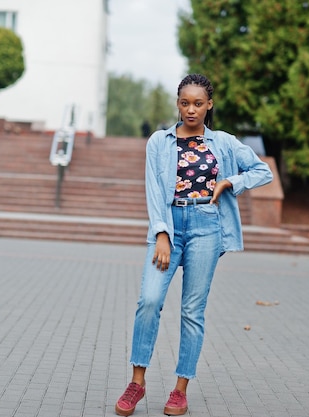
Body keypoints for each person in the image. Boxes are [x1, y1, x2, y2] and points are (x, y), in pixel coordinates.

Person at [115, 74, 273, 416]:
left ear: (209, 105)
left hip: (207, 226)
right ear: (177, 103)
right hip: (170, 225)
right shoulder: (159, 141)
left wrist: (232, 181)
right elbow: (154, 191)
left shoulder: (225, 143)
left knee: (192, 311)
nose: (191, 109)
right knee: (150, 300)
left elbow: (263, 171)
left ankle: (180, 389)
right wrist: (161, 234)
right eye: (185, 103)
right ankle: (137, 383)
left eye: (198, 103)